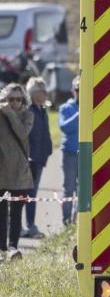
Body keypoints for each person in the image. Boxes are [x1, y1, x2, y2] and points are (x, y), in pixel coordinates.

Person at [0, 83, 34, 261]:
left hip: (20, 174)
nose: (13, 103)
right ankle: (1, 249)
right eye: (10, 99)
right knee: (1, 214)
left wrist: (10, 113)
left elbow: (22, 134)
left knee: (16, 214)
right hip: (2, 172)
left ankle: (13, 247)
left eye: (17, 99)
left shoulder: (28, 115)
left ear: (23, 100)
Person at [21, 77, 52, 238]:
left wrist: (48, 150)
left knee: (32, 194)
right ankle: (26, 226)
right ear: (33, 93)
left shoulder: (42, 110)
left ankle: (30, 225)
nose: (46, 94)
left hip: (40, 159)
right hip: (30, 160)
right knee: (25, 194)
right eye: (43, 91)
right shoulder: (28, 111)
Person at [59, 76, 79, 225]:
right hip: (70, 153)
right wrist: (80, 114)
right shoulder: (66, 107)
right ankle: (66, 220)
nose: (80, 93)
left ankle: (77, 220)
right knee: (69, 188)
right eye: (78, 89)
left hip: (85, 154)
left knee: (83, 189)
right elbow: (65, 127)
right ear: (73, 90)